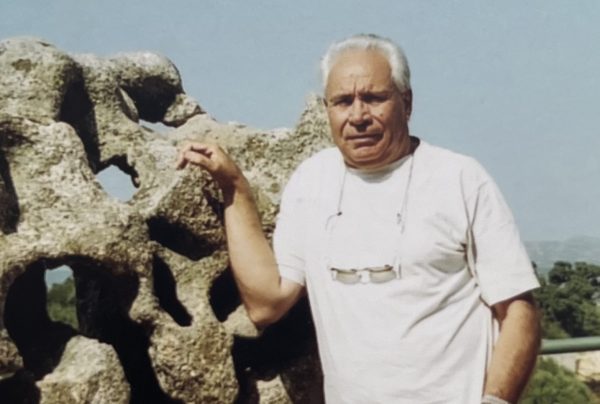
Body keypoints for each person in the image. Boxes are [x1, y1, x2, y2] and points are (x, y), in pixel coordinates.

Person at [176, 34, 541, 404]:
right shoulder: (312, 181)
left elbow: (518, 311)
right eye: (343, 101)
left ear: (407, 102)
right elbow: (267, 303)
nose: (358, 116)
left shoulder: (459, 178)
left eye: (374, 98)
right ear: (327, 109)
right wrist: (234, 188)